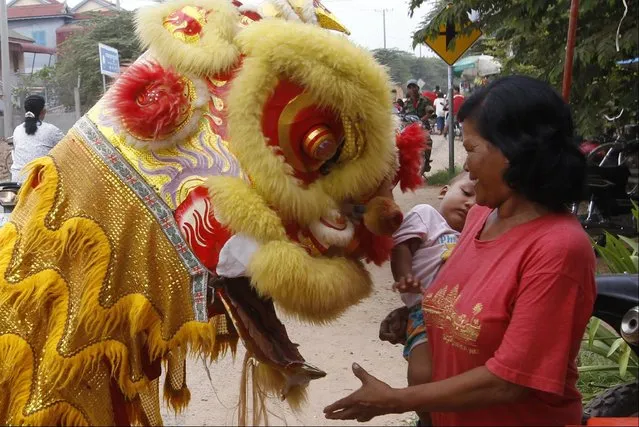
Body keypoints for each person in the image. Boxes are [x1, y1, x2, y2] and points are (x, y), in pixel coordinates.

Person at [324, 75, 594, 426]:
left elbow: (508, 381)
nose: (465, 167)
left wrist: (395, 400)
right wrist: (416, 318)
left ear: (514, 152)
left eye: (471, 149)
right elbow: (470, 303)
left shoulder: (557, 248)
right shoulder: (481, 217)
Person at [387, 171, 475, 425]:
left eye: (478, 203)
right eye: (466, 193)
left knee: (456, 376)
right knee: (422, 373)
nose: (470, 203)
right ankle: (427, 420)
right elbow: (401, 247)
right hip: (425, 311)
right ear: (444, 191)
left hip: (462, 317)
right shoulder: (426, 215)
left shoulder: (475, 234)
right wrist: (406, 276)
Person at [10, 95, 64, 183]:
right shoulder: (51, 130)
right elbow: (67, 147)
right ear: (43, 111)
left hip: (17, 180)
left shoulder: (17, 129)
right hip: (40, 182)